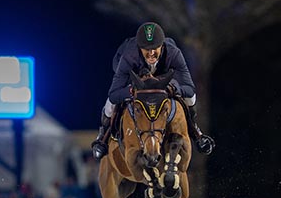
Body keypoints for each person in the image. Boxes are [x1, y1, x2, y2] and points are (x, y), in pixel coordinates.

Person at [91, 22, 215, 160]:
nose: (151, 53)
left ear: (162, 45)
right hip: (134, 77)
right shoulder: (129, 56)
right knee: (110, 104)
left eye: (155, 48)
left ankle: (196, 131)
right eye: (146, 49)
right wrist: (132, 90)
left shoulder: (174, 54)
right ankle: (103, 136)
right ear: (139, 48)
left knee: (190, 98)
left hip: (162, 78)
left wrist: (174, 88)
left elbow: (190, 89)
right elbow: (114, 94)